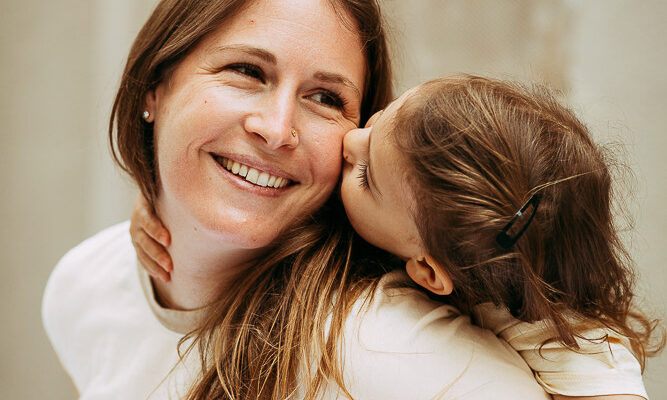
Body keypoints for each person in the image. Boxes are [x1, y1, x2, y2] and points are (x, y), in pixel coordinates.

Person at [42, 0, 551, 399]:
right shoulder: (82, 285)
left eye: (326, 99)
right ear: (153, 86)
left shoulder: (385, 344)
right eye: (246, 71)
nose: (277, 130)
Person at [135, 76, 664, 399]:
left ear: (429, 272)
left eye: (365, 176)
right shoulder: (435, 208)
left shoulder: (577, 353)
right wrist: (162, 198)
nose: (350, 141)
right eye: (380, 118)